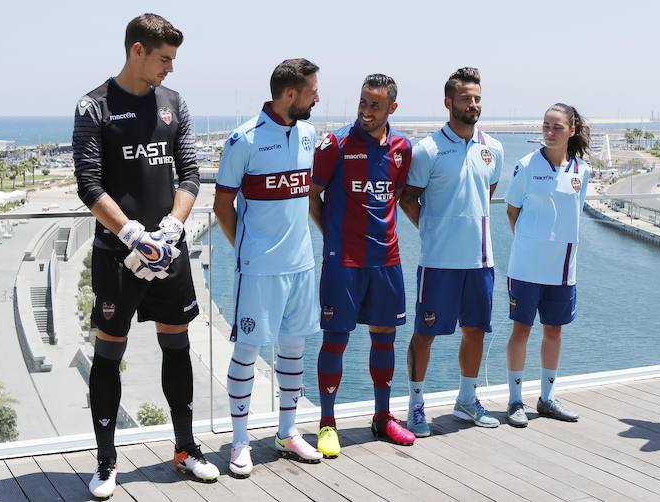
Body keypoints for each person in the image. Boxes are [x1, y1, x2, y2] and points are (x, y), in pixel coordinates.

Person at [72, 13, 219, 498]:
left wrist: (173, 227)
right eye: (164, 59)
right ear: (137, 51)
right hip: (119, 255)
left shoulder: (173, 103)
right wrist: (134, 233)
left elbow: (191, 173)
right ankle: (106, 462)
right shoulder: (93, 106)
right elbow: (89, 185)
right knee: (108, 354)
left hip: (169, 253)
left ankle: (185, 450)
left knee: (177, 348)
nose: (170, 69)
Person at [213, 58, 323, 475]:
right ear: (290, 95)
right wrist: (246, 249)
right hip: (259, 268)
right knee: (246, 352)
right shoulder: (244, 140)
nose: (318, 97)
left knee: (293, 351)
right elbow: (222, 204)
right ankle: (239, 442)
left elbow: (309, 197)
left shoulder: (311, 134)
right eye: (313, 90)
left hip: (302, 265)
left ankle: (287, 432)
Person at [309, 74, 416, 458]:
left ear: (392, 108)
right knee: (336, 339)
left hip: (386, 260)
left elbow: (395, 197)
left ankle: (382, 417)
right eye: (363, 103)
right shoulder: (336, 143)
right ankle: (326, 424)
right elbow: (312, 196)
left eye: (375, 105)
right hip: (344, 262)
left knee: (384, 336)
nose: (366, 111)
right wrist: (333, 239)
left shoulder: (403, 148)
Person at [399, 67, 504, 436]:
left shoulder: (494, 149)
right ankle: (415, 405)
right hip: (439, 263)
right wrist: (432, 229)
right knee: (424, 335)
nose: (473, 104)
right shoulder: (427, 150)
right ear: (448, 103)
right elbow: (408, 199)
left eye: (477, 98)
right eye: (465, 98)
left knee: (475, 331)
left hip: (480, 262)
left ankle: (466, 399)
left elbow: (486, 195)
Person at [503, 104, 591, 427]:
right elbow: (512, 211)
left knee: (553, 330)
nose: (550, 132)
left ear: (571, 130)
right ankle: (515, 401)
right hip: (526, 268)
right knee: (521, 330)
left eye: (556, 127)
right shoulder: (526, 166)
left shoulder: (583, 171)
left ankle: (547, 398)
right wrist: (530, 243)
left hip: (563, 269)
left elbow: (574, 215)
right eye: (546, 126)